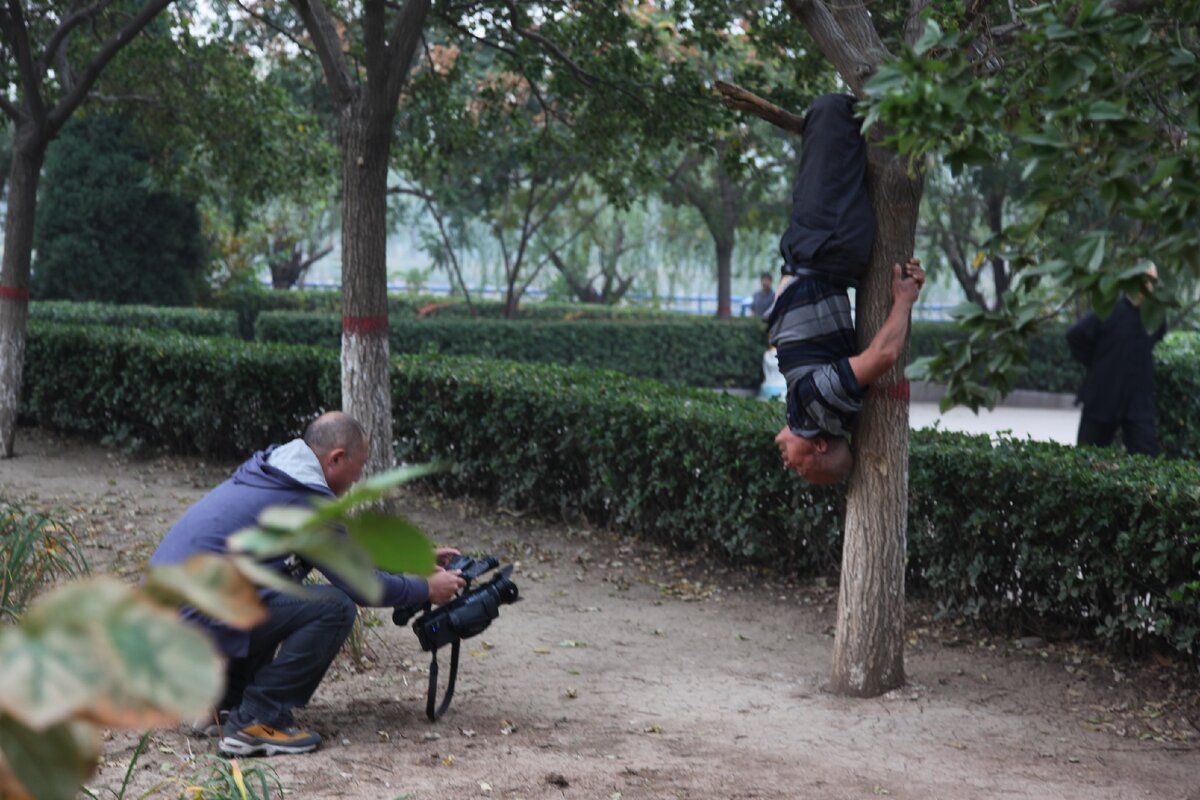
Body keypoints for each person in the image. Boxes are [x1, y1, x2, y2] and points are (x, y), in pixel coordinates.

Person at [149, 411, 466, 757]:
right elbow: (360, 586)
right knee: (333, 607)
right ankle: (255, 720)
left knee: (273, 585)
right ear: (336, 458)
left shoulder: (276, 473)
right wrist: (426, 589)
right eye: (357, 470)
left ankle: (228, 705)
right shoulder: (305, 499)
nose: (356, 480)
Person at [766, 94, 926, 485]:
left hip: (819, 246)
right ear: (819, 445)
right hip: (826, 240)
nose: (789, 465)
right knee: (830, 111)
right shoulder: (816, 404)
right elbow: (883, 355)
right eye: (803, 467)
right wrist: (904, 301)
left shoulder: (826, 412)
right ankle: (886, 84)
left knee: (831, 125)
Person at [1066, 262, 1165, 456]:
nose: (1147, 285)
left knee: (1147, 460)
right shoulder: (1110, 310)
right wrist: (1096, 364)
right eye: (1142, 279)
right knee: (1088, 457)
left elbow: (1155, 340)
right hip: (1103, 395)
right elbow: (1075, 336)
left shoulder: (1154, 316)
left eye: (1151, 280)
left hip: (1138, 401)